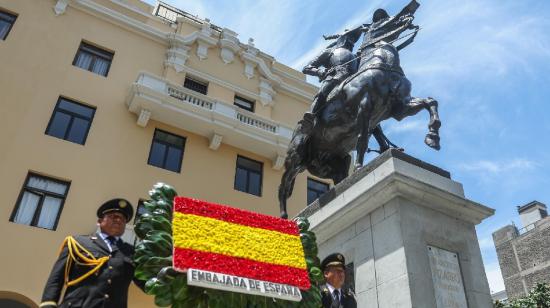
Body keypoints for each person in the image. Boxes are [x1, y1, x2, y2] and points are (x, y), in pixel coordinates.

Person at [40, 199, 143, 308]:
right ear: (99, 221)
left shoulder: (132, 252)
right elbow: (56, 279)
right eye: (113, 216)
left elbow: (146, 284)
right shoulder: (77, 243)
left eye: (123, 219)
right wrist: (48, 305)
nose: (118, 220)